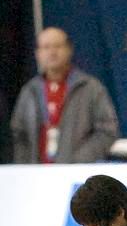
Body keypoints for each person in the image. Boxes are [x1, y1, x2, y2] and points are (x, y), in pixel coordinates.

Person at [11, 27, 119, 164]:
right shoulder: (29, 91)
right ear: (37, 53)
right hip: (35, 174)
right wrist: (24, 165)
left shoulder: (90, 87)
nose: (52, 52)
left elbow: (107, 131)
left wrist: (80, 159)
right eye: (46, 47)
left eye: (57, 46)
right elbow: (19, 134)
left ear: (69, 49)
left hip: (76, 173)